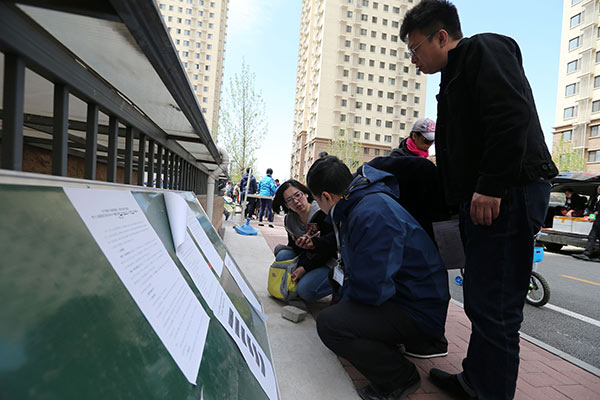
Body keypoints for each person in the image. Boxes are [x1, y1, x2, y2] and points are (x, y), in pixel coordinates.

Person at [400, 1, 558, 399]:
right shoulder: (452, 77)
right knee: (480, 300)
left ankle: (491, 392)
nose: (413, 59)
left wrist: (490, 186)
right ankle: (476, 380)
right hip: (484, 199)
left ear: (441, 36)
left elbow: (510, 115)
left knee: (497, 308)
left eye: (415, 48)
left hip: (508, 192)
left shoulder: (484, 49)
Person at [306, 156, 450, 400]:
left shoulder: (372, 214)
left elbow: (373, 288)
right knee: (343, 312)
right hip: (409, 298)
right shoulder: (362, 203)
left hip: (419, 311)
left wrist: (347, 310)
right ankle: (387, 346)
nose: (319, 207)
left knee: (331, 324)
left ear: (327, 196)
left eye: (317, 200)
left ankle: (399, 378)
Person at [271, 179, 337, 301]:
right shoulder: (290, 220)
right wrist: (299, 244)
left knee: (305, 291)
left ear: (306, 194)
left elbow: (329, 249)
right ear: (286, 205)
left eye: (298, 195)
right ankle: (300, 281)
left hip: (327, 259)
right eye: (289, 200)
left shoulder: (321, 213)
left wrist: (304, 268)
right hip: (308, 256)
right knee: (282, 253)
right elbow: (294, 248)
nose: (296, 201)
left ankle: (338, 284)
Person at [573, 185, 600, 261]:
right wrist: (592, 216)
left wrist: (594, 215)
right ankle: (586, 254)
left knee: (592, 237)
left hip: (598, 221)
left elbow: (597, 211)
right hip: (597, 222)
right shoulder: (597, 199)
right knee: (592, 237)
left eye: (598, 189)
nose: (597, 191)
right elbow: (594, 210)